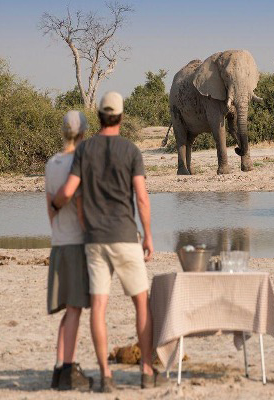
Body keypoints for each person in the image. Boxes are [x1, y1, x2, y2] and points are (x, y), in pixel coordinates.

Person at [51, 91, 167, 392]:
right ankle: (145, 371)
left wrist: (54, 205)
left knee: (99, 307)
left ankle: (105, 376)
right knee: (141, 303)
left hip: (94, 240)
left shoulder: (85, 149)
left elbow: (68, 190)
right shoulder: (130, 150)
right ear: (121, 116)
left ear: (100, 116)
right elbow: (141, 197)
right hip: (125, 236)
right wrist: (149, 235)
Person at [45, 110, 93, 391]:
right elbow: (78, 203)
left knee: (68, 310)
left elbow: (49, 204)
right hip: (76, 243)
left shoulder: (52, 163)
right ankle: (68, 369)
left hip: (58, 242)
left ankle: (58, 367)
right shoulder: (79, 162)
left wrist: (57, 231)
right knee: (74, 309)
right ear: (84, 133)